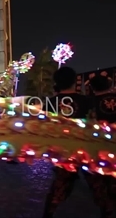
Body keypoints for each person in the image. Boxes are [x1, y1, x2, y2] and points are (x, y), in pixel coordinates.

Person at [41, 67, 94, 218]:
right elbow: (93, 123)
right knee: (99, 187)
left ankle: (48, 214)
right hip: (86, 149)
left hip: (62, 151)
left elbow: (45, 126)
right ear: (74, 81)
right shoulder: (86, 101)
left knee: (59, 187)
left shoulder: (50, 103)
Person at [85, 75, 116, 218]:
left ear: (92, 88)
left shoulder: (90, 104)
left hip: (100, 150)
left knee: (102, 183)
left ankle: (107, 209)